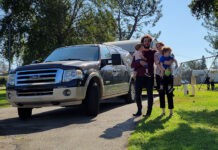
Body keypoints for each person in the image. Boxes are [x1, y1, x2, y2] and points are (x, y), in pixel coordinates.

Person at [131, 34, 156, 117]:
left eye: (148, 41)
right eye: (145, 41)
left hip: (149, 76)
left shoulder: (153, 52)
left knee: (150, 94)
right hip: (139, 76)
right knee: (137, 94)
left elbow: (158, 61)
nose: (147, 42)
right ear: (142, 42)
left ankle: (149, 112)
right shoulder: (137, 52)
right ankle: (139, 111)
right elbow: (132, 65)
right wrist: (139, 63)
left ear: (150, 42)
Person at [158, 46, 177, 117]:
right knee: (162, 94)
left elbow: (171, 62)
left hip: (169, 75)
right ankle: (163, 112)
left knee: (169, 95)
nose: (170, 53)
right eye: (168, 52)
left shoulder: (170, 56)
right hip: (162, 75)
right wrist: (163, 70)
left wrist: (175, 64)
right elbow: (160, 64)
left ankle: (171, 112)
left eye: (170, 52)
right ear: (164, 52)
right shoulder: (161, 57)